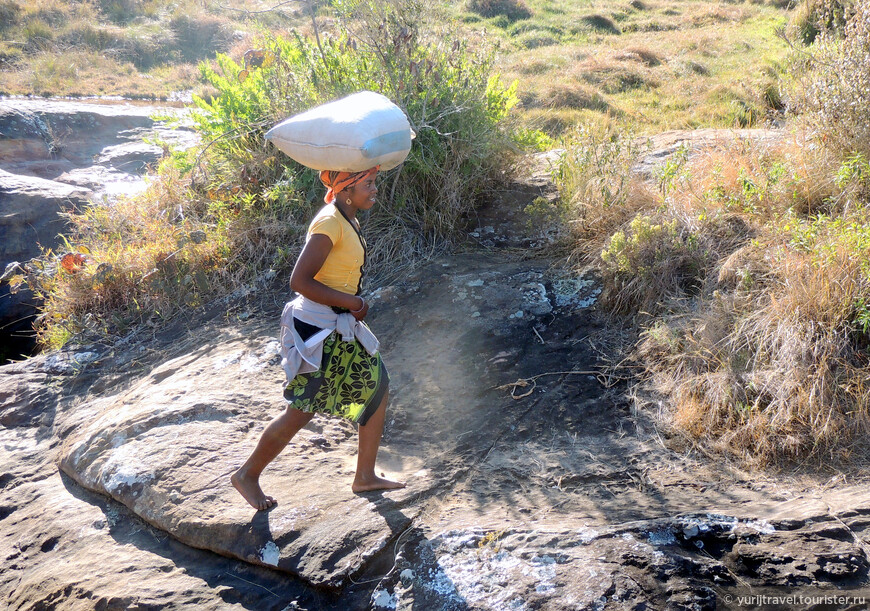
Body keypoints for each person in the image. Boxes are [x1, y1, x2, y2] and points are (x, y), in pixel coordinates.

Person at [232, 166, 405, 511]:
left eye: (374, 183)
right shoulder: (329, 223)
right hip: (319, 329)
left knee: (376, 385)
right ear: (345, 190)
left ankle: (365, 476)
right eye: (368, 184)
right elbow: (299, 280)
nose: (374, 190)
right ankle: (247, 475)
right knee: (302, 409)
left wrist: (348, 304)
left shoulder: (347, 217)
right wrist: (353, 302)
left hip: (335, 324)